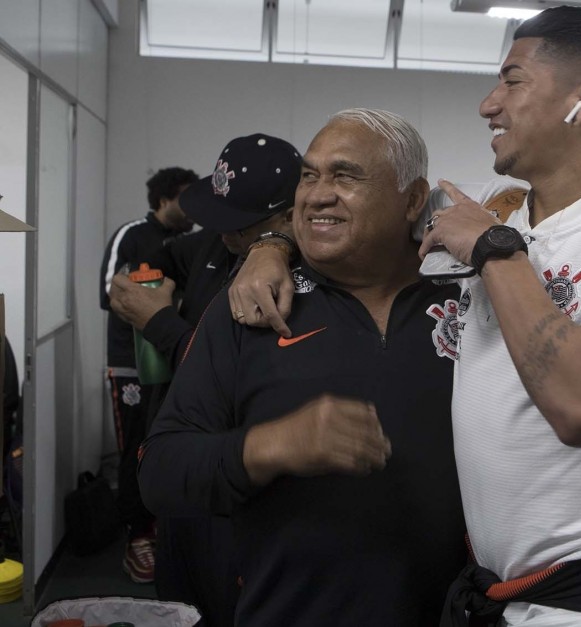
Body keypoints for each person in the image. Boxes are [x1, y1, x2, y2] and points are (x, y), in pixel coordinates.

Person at [230, 8, 581, 626]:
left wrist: (493, 251)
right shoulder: (494, 208)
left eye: (512, 81)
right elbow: (353, 218)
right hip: (493, 588)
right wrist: (272, 248)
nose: (489, 104)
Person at [138, 109, 467, 626]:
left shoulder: (471, 300)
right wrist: (273, 445)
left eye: (345, 176)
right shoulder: (253, 303)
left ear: (412, 198)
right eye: (309, 176)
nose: (316, 194)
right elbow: (160, 472)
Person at [109, 133, 300, 627]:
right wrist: (139, 282)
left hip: (238, 485)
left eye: (242, 226)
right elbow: (153, 262)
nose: (226, 235)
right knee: (176, 604)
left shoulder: (304, 276)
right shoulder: (211, 247)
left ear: (288, 216)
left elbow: (239, 372)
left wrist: (161, 324)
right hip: (181, 472)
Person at [99, 166, 197, 584]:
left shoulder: (194, 242)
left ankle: (165, 530)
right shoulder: (132, 234)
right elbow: (110, 291)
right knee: (135, 445)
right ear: (163, 199)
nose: (193, 208)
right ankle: (137, 537)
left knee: (171, 442)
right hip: (132, 363)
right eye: (186, 199)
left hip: (180, 358)